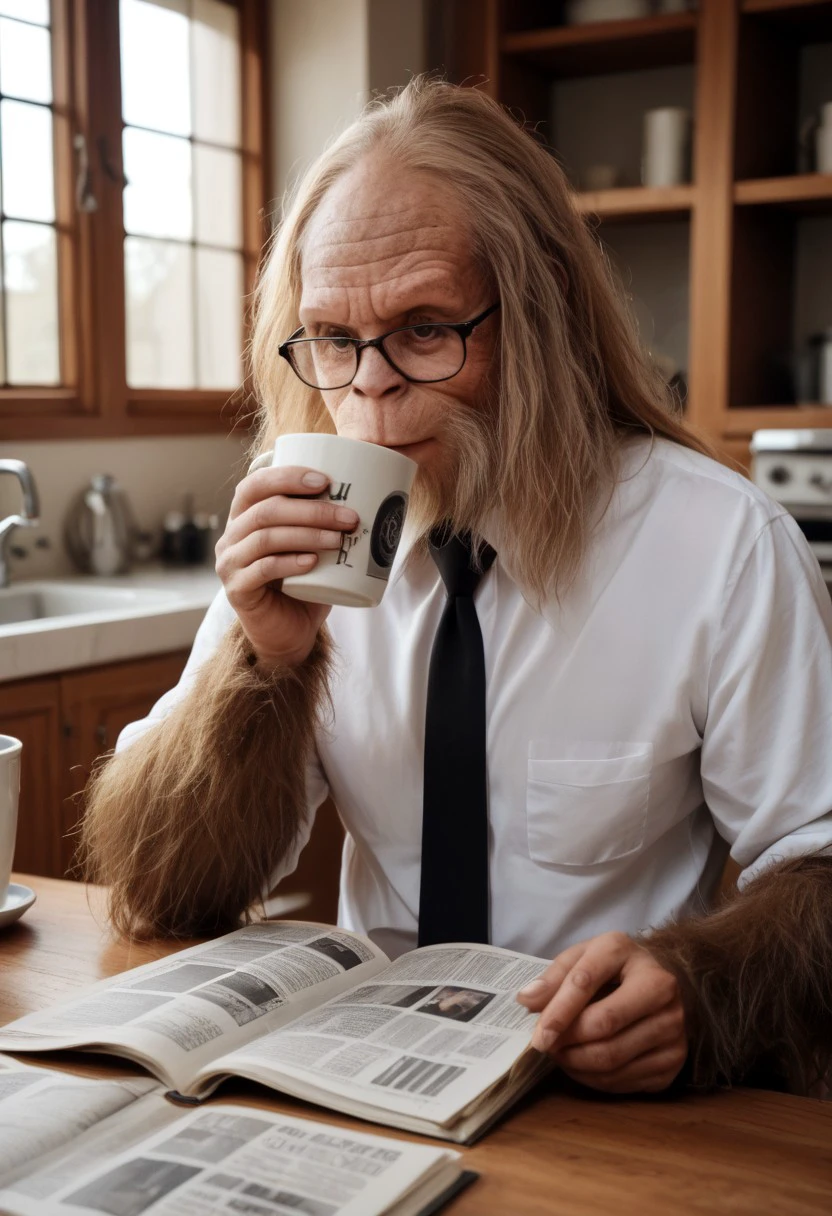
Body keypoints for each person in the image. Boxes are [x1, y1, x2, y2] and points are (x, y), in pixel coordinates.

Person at [81, 77, 832, 1098]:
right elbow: (163, 889)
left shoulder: (720, 545)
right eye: (335, 339)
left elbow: (819, 864)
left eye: (426, 328)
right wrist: (265, 664)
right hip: (356, 1069)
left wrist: (699, 985)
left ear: (541, 318)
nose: (369, 390)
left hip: (596, 1093)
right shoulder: (309, 530)